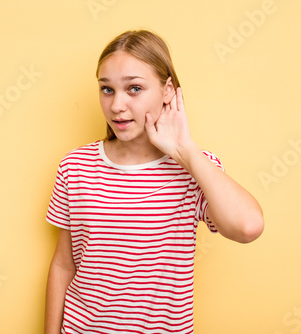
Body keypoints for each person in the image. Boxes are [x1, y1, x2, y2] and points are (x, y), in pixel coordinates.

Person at [44, 29, 264, 334]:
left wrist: (186, 151)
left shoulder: (194, 170)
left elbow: (248, 227)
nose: (117, 105)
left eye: (134, 88)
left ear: (167, 91)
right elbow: (63, 265)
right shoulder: (76, 166)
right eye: (107, 89)